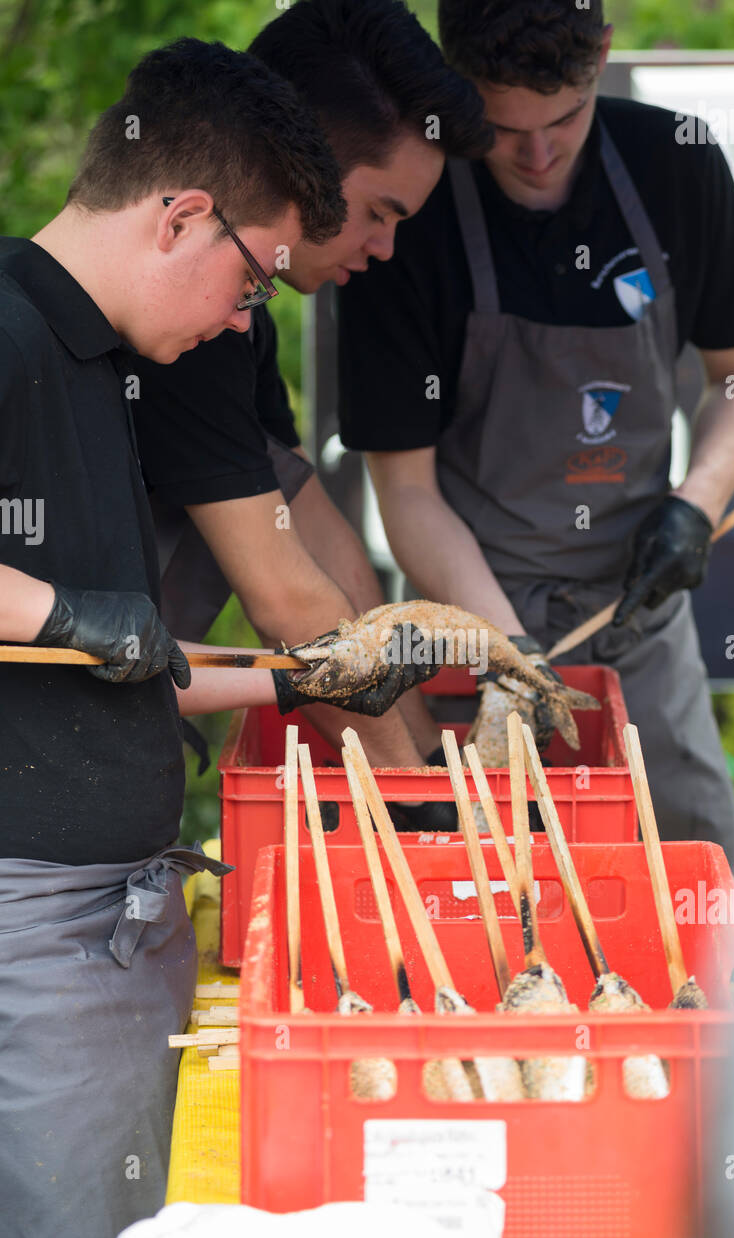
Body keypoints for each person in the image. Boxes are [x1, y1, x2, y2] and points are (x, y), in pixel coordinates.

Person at [0, 37, 349, 1238]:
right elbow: (84, 628)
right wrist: (77, 615)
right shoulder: (11, 332)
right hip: (40, 923)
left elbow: (127, 658)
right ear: (181, 213)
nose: (241, 322)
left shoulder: (108, 367)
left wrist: (299, 680)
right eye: (254, 284)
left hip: (114, 918)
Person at [336, 0, 734, 865]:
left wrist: (697, 503)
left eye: (565, 117)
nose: (537, 156)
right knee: (490, 881)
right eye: (501, 129)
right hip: (473, 621)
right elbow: (406, 491)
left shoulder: (672, 163)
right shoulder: (408, 214)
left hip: (642, 610)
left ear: (603, 57)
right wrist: (512, 658)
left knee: (686, 875)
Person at [127, 0, 494, 783]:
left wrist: (429, 758)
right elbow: (288, 605)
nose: (386, 249)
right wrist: (415, 799)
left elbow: (318, 545)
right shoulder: (185, 321)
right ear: (301, 163)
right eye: (377, 213)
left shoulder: (241, 318)